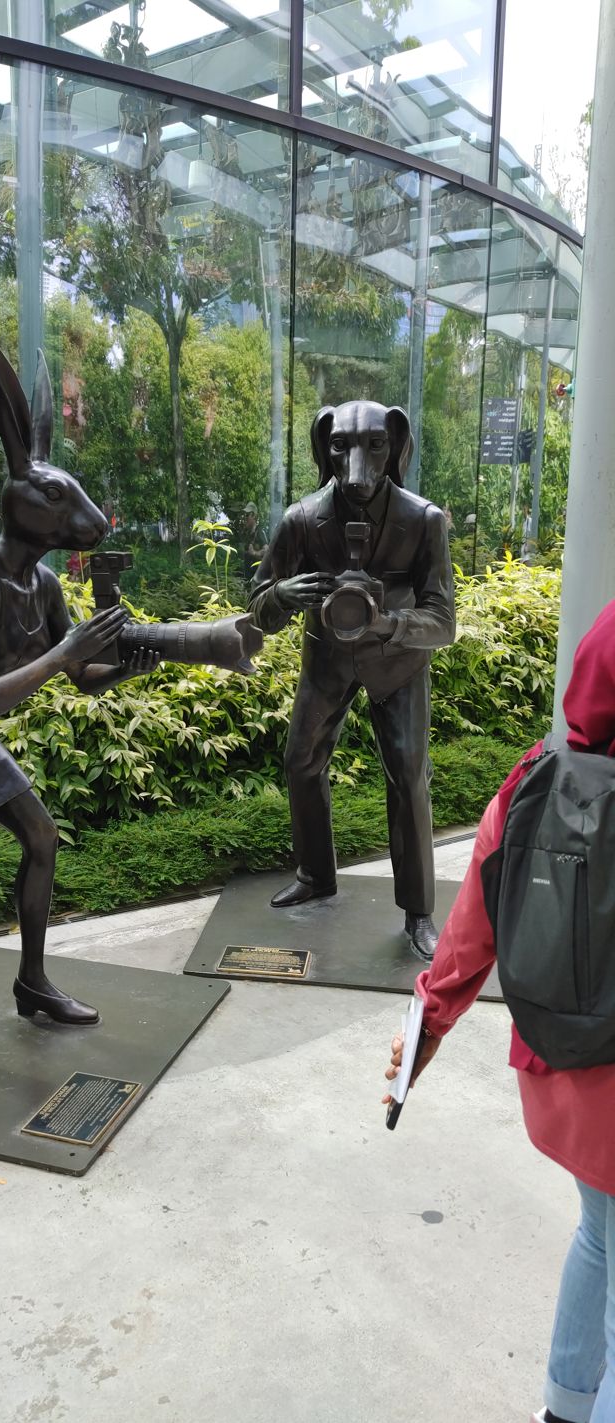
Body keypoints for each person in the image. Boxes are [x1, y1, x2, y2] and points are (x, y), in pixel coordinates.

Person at [382, 600, 615, 1423]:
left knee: (600, 1236)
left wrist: (420, 1042)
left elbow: (465, 938)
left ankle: (563, 1407)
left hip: (560, 1080)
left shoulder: (531, 783)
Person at [249, 400, 454, 960]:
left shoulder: (424, 520)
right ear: (324, 446)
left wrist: (388, 622)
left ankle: (418, 911)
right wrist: (282, 596)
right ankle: (317, 873)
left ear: (397, 445)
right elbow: (257, 606)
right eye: (341, 446)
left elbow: (444, 622)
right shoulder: (300, 519)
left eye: (374, 446)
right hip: (327, 662)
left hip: (398, 664)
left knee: (409, 774)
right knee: (300, 761)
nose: (357, 463)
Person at [242, 501, 268, 580]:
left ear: (253, 516)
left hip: (258, 578)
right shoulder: (248, 534)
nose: (245, 518)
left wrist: (254, 553)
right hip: (249, 577)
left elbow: (267, 550)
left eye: (247, 515)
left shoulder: (260, 532)